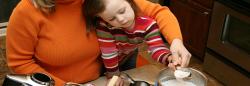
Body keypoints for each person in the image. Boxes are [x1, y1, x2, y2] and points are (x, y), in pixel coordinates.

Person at [6, 0, 191, 86]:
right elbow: (20, 63)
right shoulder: (26, 12)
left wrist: (176, 42)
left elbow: (159, 12)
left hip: (100, 80)